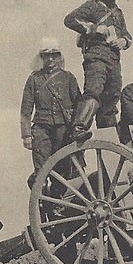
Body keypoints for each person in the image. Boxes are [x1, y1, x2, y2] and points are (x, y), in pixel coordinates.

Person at [63, 0, 133, 143]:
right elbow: (70, 20)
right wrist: (94, 29)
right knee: (94, 91)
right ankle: (78, 129)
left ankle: (109, 145)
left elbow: (127, 35)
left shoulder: (118, 12)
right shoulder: (92, 6)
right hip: (96, 57)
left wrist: (124, 41)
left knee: (110, 102)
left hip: (114, 61)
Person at [20, 37, 82, 188]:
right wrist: (26, 135)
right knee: (41, 170)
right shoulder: (34, 79)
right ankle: (40, 197)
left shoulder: (68, 78)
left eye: (54, 55)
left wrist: (76, 127)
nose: (51, 59)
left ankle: (57, 199)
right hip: (41, 129)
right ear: (41, 57)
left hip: (63, 129)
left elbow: (79, 104)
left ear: (59, 56)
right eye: (47, 55)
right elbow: (26, 109)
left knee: (62, 169)